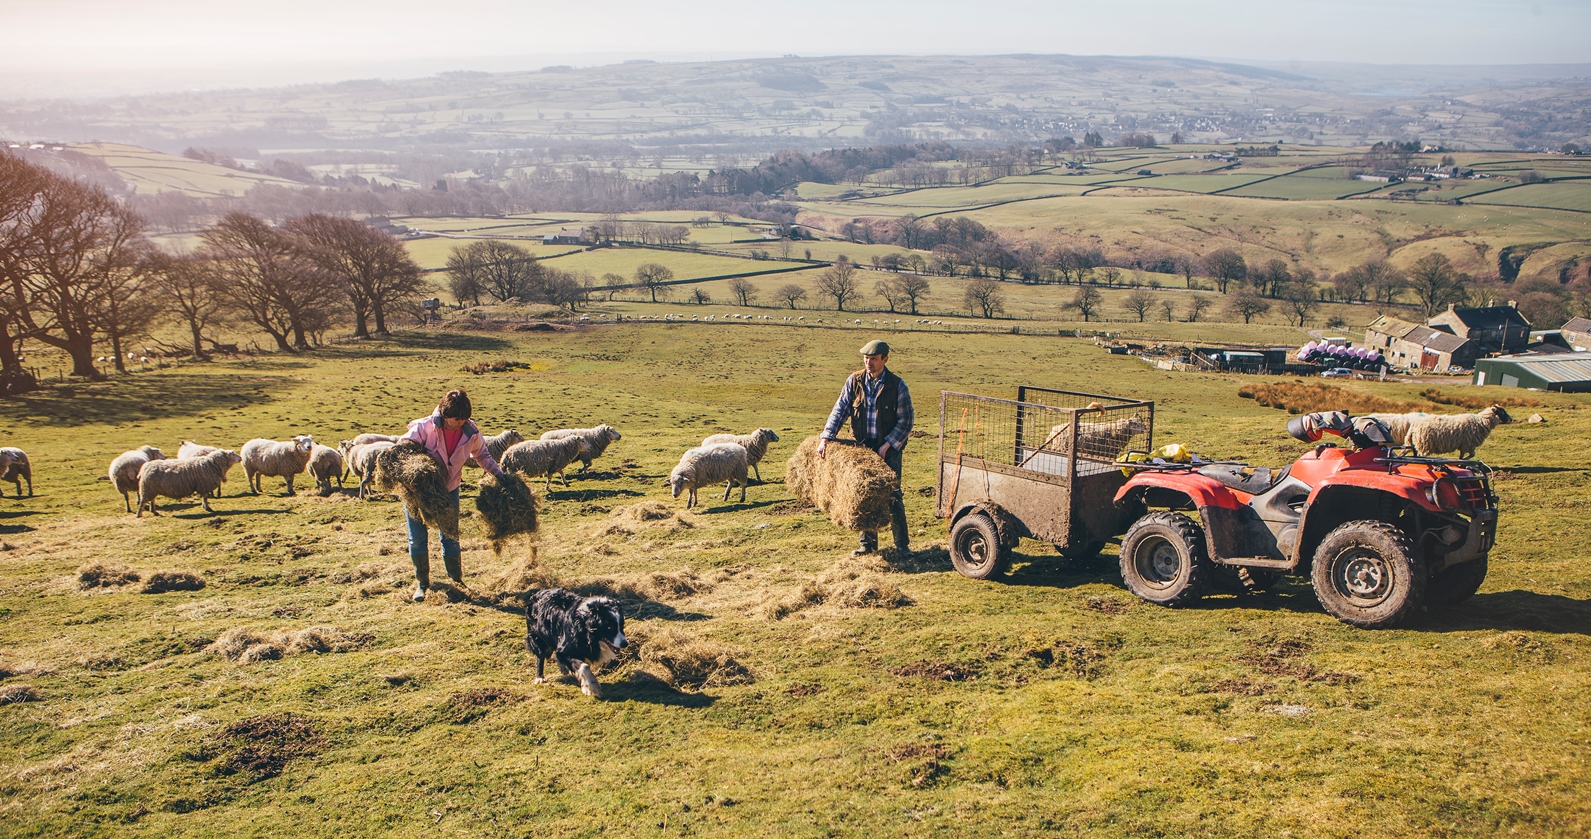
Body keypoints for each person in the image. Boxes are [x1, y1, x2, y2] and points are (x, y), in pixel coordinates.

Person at [398, 388, 508, 601]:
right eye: (454, 420)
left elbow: (482, 455)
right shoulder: (424, 427)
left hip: (449, 490)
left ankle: (456, 580)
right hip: (418, 492)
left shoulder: (470, 432)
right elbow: (402, 452)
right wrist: (412, 478)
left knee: (450, 537)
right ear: (443, 412)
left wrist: (499, 475)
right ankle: (422, 584)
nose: (457, 424)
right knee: (418, 538)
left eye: (462, 419)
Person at [819, 339, 913, 557]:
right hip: (863, 448)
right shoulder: (855, 381)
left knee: (893, 495)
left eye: (873, 359)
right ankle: (868, 545)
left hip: (889, 448)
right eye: (866, 359)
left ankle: (902, 545)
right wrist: (826, 437)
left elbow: (906, 421)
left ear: (885, 359)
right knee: (864, 495)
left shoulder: (897, 385)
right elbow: (840, 410)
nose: (869, 363)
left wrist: (887, 445)